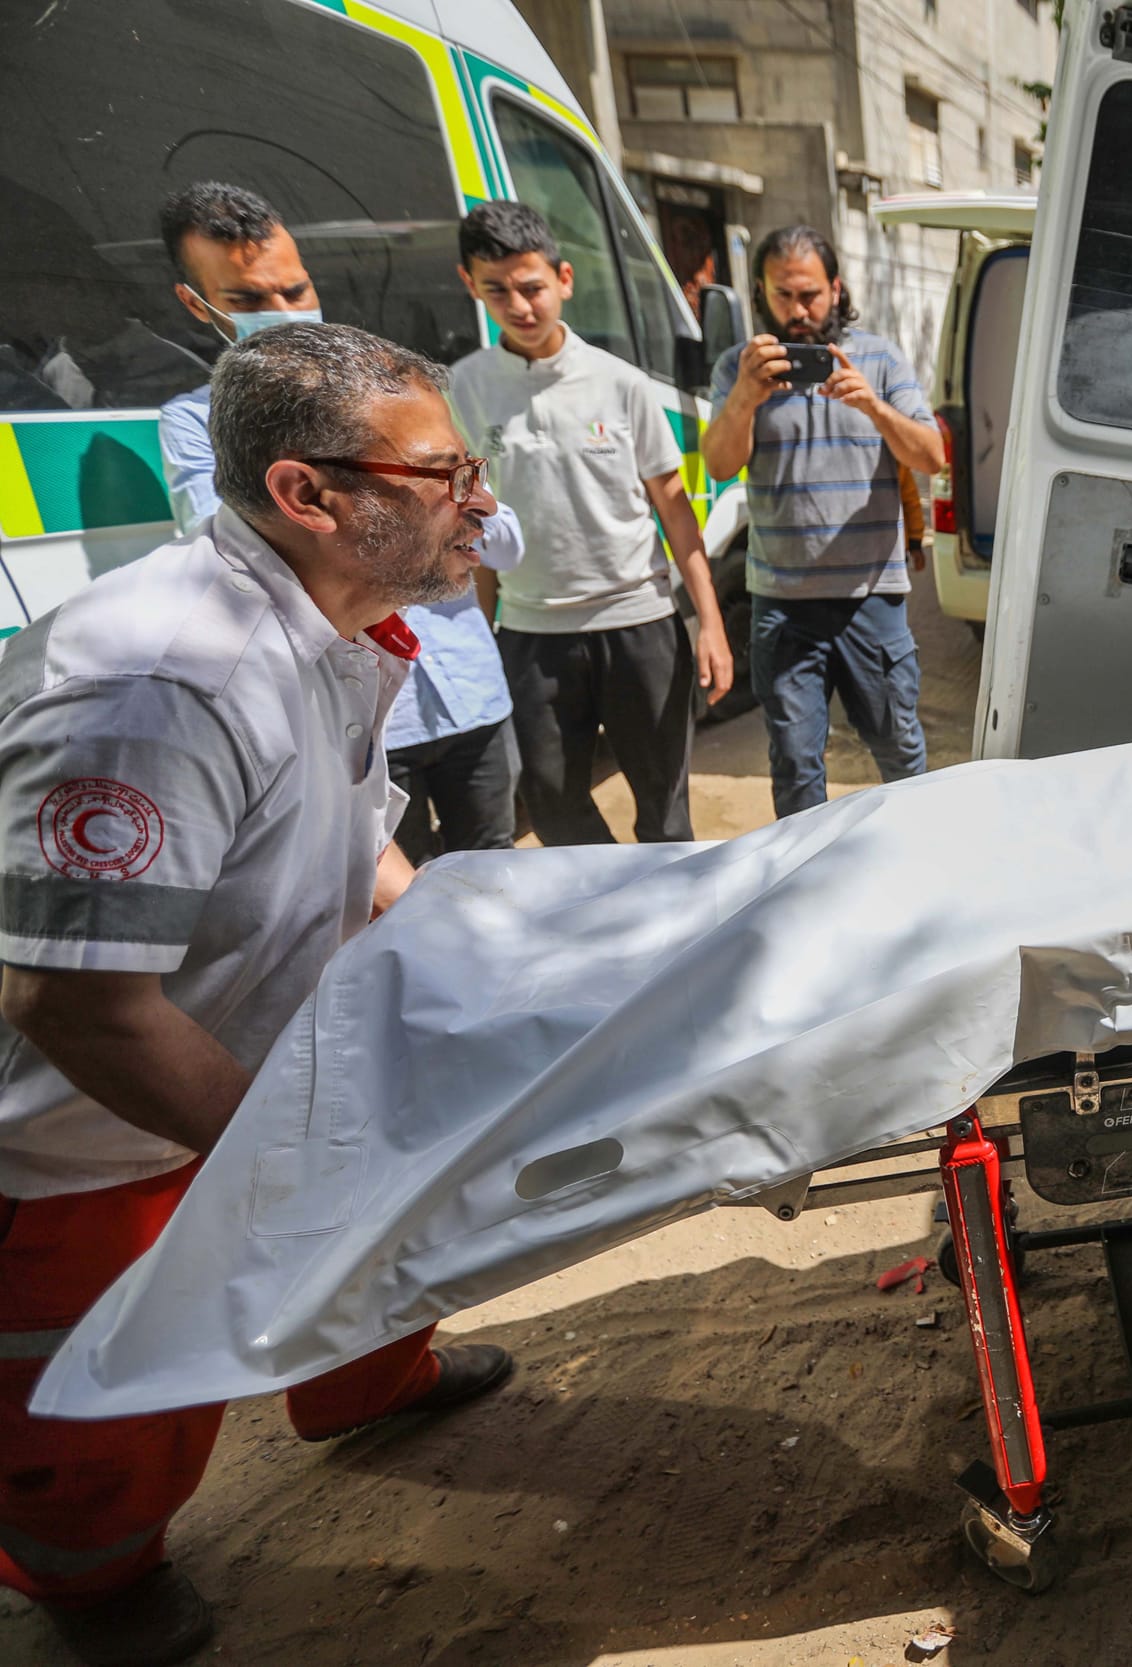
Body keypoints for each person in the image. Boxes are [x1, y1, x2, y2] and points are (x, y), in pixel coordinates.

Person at [0, 324, 519, 1666]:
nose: (483, 501)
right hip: (84, 1123)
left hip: (250, 1035)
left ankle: (364, 1379)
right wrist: (288, 1150)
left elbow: (350, 822)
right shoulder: (162, 681)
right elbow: (75, 1008)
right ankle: (94, 1578)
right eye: (443, 473)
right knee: (104, 1388)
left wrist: (471, 931)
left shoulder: (328, 620)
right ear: (310, 495)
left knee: (361, 1230)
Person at [155, 181, 524, 861]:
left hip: (470, 690)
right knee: (379, 897)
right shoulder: (195, 424)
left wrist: (443, 495)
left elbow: (501, 535)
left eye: (294, 291)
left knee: (489, 866)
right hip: (374, 718)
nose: (282, 311)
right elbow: (260, 566)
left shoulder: (398, 398)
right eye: (247, 299)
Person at [449, 201, 733, 846]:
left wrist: (710, 625)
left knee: (665, 808)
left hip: (639, 624)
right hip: (532, 636)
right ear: (471, 286)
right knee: (550, 804)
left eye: (532, 288)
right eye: (497, 291)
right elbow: (479, 532)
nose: (519, 307)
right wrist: (485, 638)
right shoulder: (465, 391)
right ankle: (611, 921)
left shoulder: (622, 384)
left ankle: (674, 930)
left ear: (564, 280)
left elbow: (676, 516)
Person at [700, 226, 946, 817]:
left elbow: (932, 456)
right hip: (783, 606)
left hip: (872, 599)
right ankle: (803, 883)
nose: (798, 310)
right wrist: (745, 398)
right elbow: (718, 464)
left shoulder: (882, 359)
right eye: (782, 296)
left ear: (835, 288)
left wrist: (873, 406)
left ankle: (917, 858)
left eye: (809, 294)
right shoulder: (739, 367)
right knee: (794, 764)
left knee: (898, 751)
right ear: (761, 294)